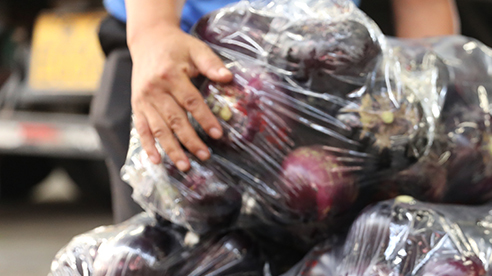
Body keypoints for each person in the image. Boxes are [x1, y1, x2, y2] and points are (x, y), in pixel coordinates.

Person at [90, 0, 460, 222]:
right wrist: (153, 31)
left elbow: (422, 11)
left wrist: (427, 93)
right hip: (188, 69)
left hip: (326, 82)